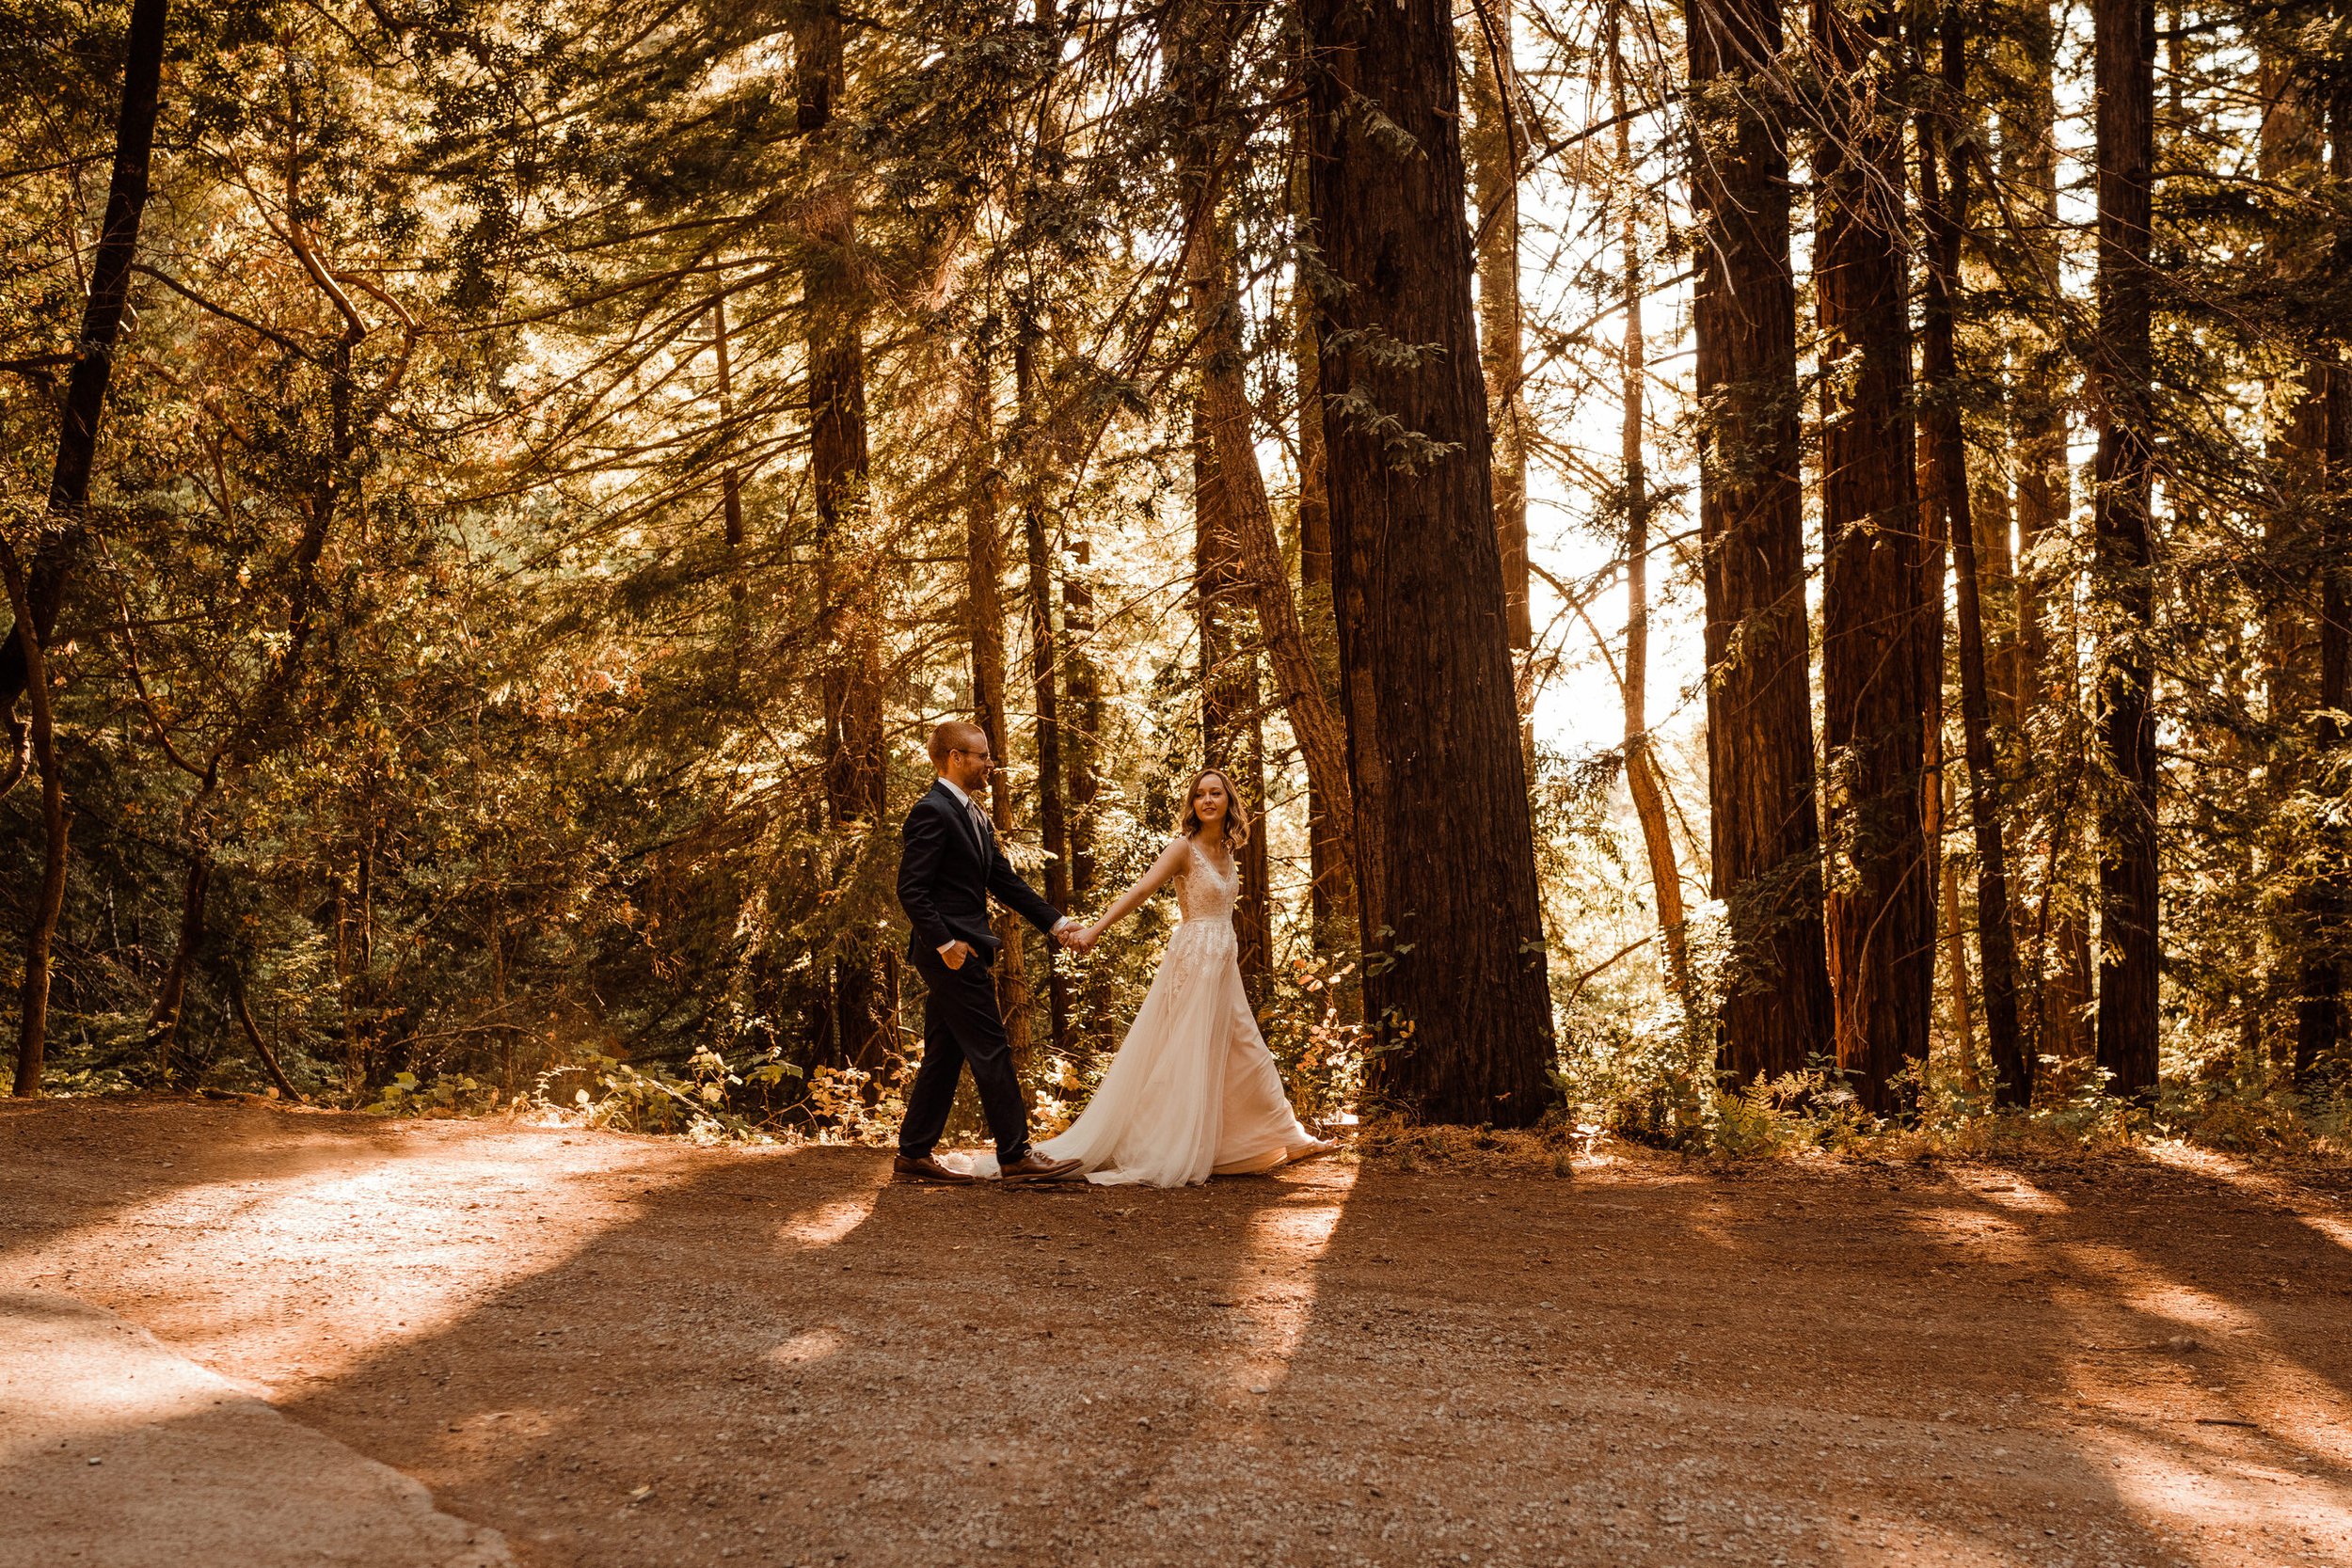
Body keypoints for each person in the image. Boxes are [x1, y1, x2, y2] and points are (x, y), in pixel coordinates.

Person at [1011, 768, 1337, 1187]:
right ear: (1193, 804)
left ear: (1228, 802)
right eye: (1200, 794)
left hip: (1222, 962)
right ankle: (1163, 1144)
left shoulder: (1228, 850)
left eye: (1216, 793)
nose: (1207, 801)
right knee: (1187, 1052)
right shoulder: (1182, 849)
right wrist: (1093, 930)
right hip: (1193, 960)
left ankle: (1278, 1137)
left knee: (1244, 1048)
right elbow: (1141, 890)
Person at [893, 719, 1086, 1185]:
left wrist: (1057, 923)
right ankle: (1015, 1154)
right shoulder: (932, 811)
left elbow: (1004, 881)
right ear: (956, 758)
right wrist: (946, 944)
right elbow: (911, 890)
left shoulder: (975, 815)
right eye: (981, 755)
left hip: (961, 949)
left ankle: (914, 1153)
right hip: (951, 952)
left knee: (945, 1052)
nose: (989, 763)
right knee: (991, 1047)